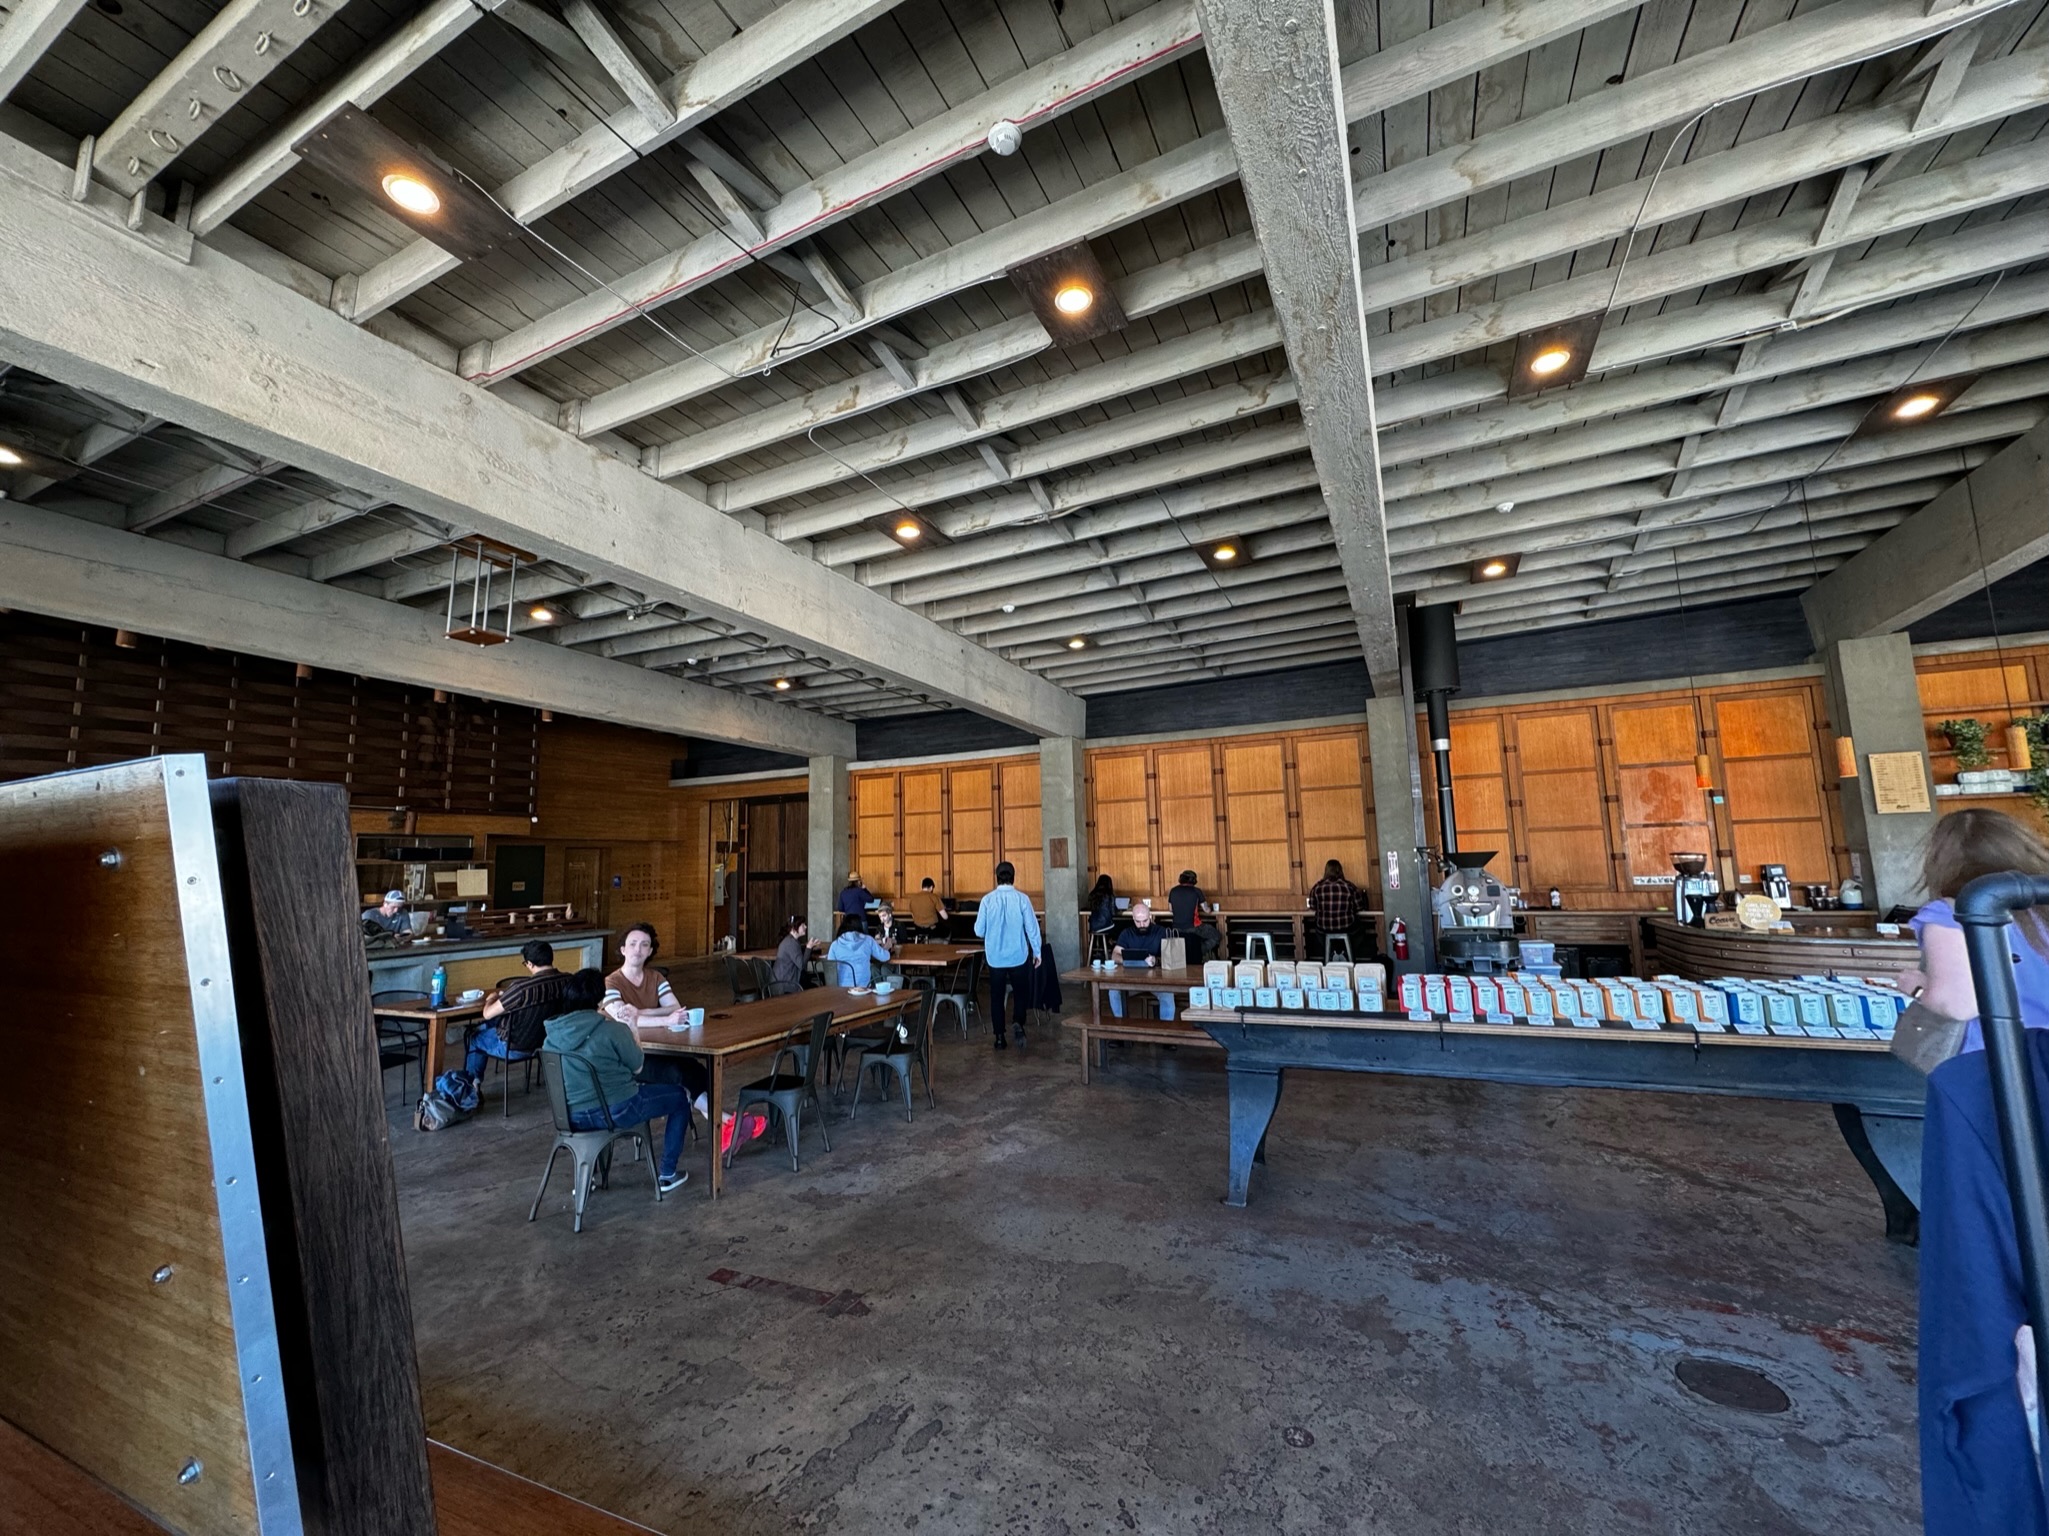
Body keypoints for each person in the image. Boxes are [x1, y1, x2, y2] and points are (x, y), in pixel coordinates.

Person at [1906, 810, 2049, 1527]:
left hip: (1994, 1101)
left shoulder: (1950, 909)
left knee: (1995, 1267)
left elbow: (1955, 1001)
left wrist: (1920, 982)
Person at [1901, 809, 2049, 1052]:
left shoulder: (1948, 913)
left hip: (1996, 1065)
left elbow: (1958, 1004)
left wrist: (1917, 987)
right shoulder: (2042, 906)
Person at [542, 968, 690, 1195]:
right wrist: (632, 1026)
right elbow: (638, 1066)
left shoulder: (552, 1035)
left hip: (570, 1116)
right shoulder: (612, 1030)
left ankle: (587, 1177)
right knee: (680, 1097)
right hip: (617, 1111)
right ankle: (667, 1174)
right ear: (600, 1000)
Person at [602, 922, 708, 1111]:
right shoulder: (612, 981)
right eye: (633, 944)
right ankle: (725, 1121)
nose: (638, 949)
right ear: (623, 949)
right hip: (628, 1056)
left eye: (644, 945)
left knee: (697, 1069)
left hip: (658, 1047)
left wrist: (639, 1013)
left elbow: (674, 1006)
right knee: (678, 1072)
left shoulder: (655, 977)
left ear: (650, 951)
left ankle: (722, 1123)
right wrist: (665, 1020)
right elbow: (623, 1019)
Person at [463, 938, 566, 1078]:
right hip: (547, 1042)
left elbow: (487, 1013)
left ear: (529, 963)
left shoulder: (521, 988)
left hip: (514, 1047)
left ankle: (472, 1087)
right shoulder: (568, 980)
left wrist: (491, 998)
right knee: (487, 1026)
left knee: (474, 1036)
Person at [974, 860, 1042, 1050]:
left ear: (996, 877)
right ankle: (1018, 1022)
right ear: (1014, 877)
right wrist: (1037, 951)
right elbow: (1032, 928)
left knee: (996, 996)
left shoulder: (987, 900)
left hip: (995, 958)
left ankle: (999, 1038)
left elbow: (979, 931)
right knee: (1021, 993)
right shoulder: (1022, 899)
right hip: (1018, 956)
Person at [1108, 900, 1177, 1022]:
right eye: (1138, 922)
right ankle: (1120, 1029)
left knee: (1167, 995)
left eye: (1145, 921)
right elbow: (1115, 955)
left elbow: (1172, 957)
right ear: (1133, 919)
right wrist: (1128, 960)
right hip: (1131, 981)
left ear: (1150, 917)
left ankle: (1166, 1035)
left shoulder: (1161, 932)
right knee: (1113, 991)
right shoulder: (1126, 933)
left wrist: (1156, 960)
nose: (1142, 925)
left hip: (1157, 982)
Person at [1308, 859, 1363, 952]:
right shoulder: (1349, 886)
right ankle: (1348, 953)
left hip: (1324, 930)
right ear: (1340, 870)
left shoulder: (1317, 887)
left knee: (1317, 931)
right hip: (1347, 928)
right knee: (1361, 930)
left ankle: (1329, 954)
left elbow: (1312, 906)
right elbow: (1360, 907)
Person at [826, 912, 893, 987]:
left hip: (842, 988)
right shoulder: (868, 940)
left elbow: (830, 967)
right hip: (864, 987)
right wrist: (887, 947)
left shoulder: (835, 944)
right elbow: (884, 957)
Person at [1167, 869, 1221, 961]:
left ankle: (1188, 952)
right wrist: (1211, 908)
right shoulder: (1196, 891)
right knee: (1216, 936)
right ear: (1194, 880)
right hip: (1194, 927)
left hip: (1176, 928)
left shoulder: (1173, 891)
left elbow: (1170, 909)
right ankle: (1199, 951)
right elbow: (1206, 910)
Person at [769, 915, 812, 996]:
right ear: (794, 928)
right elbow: (801, 965)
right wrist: (809, 947)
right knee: (813, 988)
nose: (805, 927)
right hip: (785, 985)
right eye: (803, 925)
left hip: (780, 982)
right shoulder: (792, 943)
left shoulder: (789, 940)